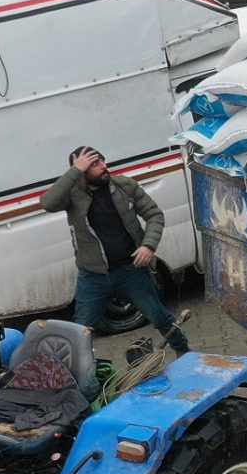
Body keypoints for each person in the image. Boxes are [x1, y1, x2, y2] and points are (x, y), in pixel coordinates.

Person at [41, 146, 186, 354]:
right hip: (93, 276)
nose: (103, 166)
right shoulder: (72, 196)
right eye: (94, 164)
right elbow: (47, 203)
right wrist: (74, 171)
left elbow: (155, 215)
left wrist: (148, 245)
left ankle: (185, 352)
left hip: (131, 269)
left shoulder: (124, 186)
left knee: (160, 316)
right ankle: (79, 374)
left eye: (102, 161)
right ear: (81, 170)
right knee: (81, 330)